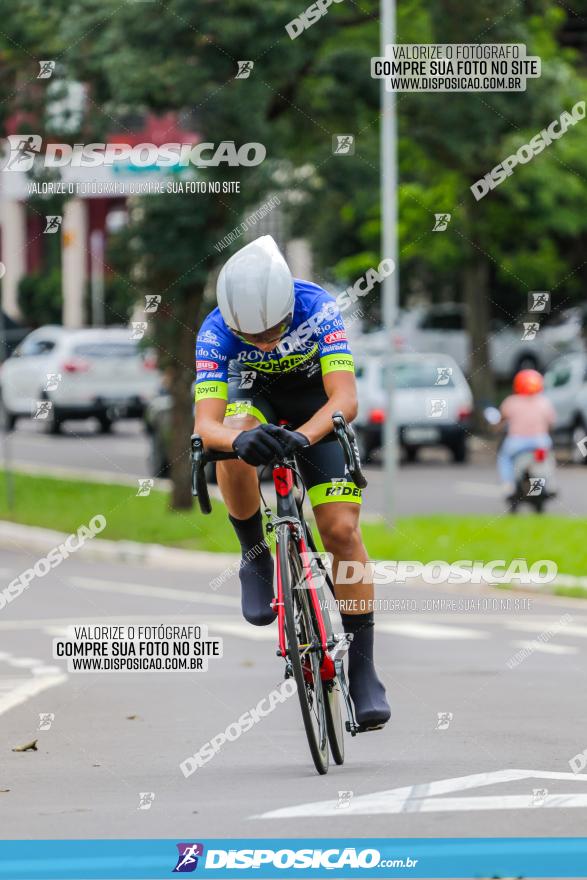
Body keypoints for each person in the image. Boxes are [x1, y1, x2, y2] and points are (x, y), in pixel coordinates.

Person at [194, 235, 390, 731]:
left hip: (314, 410)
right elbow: (206, 424)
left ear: (287, 308)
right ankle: (255, 555)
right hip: (253, 402)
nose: (264, 342)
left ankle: (363, 668)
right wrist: (238, 443)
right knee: (232, 439)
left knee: (342, 532)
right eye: (251, 334)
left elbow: (345, 400)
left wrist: (302, 437)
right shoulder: (215, 330)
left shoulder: (318, 308)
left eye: (275, 330)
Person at [496, 369, 556, 496]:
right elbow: (551, 423)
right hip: (540, 442)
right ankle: (549, 484)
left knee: (504, 457)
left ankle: (508, 484)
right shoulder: (544, 402)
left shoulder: (511, 401)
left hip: (517, 443)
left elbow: (501, 421)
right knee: (548, 457)